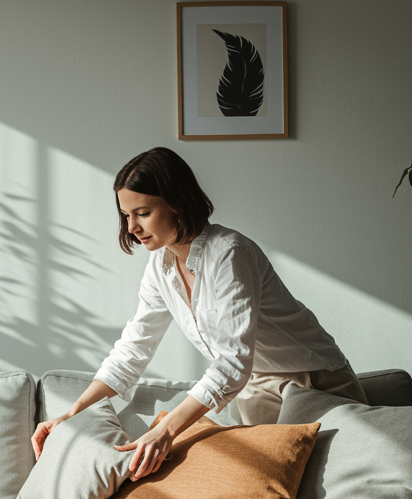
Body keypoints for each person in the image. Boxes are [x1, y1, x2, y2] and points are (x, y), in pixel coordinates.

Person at [32, 146, 367, 480]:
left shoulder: (230, 254)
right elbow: (133, 350)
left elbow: (233, 361)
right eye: (126, 215)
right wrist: (72, 414)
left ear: (176, 201)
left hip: (312, 380)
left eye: (143, 212)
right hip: (254, 388)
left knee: (308, 492)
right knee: (263, 491)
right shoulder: (160, 267)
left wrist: (166, 430)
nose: (132, 226)